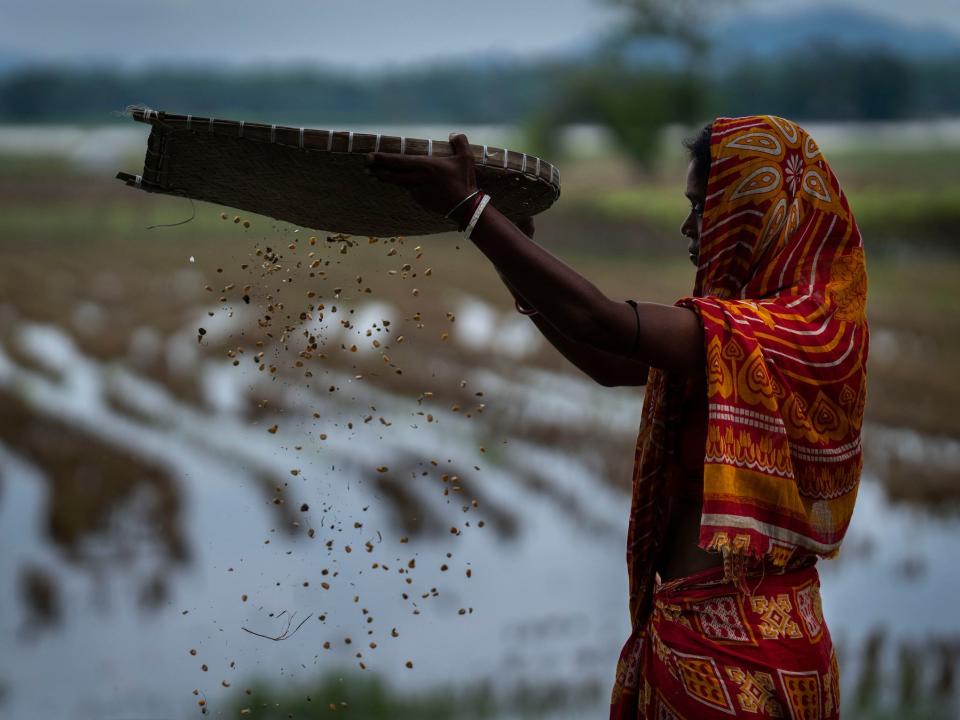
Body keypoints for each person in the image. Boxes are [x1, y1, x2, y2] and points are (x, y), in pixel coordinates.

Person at [366, 114, 868, 719]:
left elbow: (600, 321)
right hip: (734, 640)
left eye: (700, 208)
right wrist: (513, 255)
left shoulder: (789, 336)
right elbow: (608, 362)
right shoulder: (757, 333)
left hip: (739, 663)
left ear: (754, 211)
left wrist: (472, 212)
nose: (690, 227)